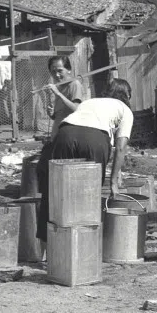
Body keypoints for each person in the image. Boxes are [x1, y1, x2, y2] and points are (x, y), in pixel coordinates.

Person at [35, 79, 134, 241]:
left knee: (56, 189)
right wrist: (113, 182)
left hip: (65, 134)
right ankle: (83, 244)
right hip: (95, 139)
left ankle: (49, 246)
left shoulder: (91, 102)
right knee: (89, 192)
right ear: (127, 95)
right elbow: (121, 147)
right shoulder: (125, 110)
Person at [44, 56, 85, 136]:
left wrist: (58, 94)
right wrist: (51, 113)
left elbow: (76, 109)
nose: (57, 75)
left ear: (68, 69)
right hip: (58, 132)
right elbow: (57, 116)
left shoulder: (74, 84)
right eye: (53, 72)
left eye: (60, 71)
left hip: (71, 132)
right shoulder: (58, 87)